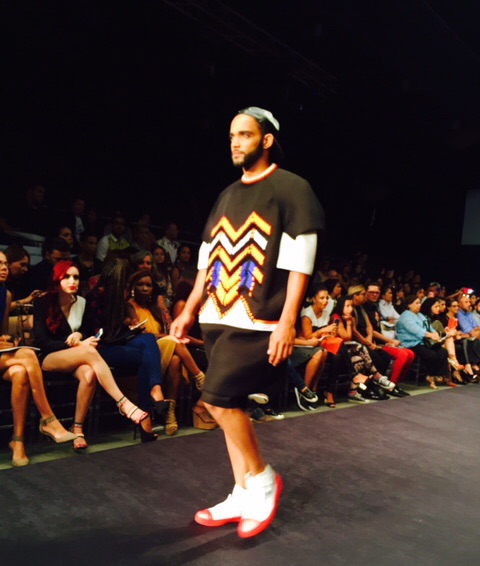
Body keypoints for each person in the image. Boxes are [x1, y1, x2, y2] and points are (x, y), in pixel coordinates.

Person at [171, 106, 325, 538]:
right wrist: (189, 309)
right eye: (232, 136)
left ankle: (262, 478)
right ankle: (241, 493)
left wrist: (288, 321)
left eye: (245, 134)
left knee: (217, 399)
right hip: (217, 315)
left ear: (267, 139)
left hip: (259, 317)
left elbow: (301, 260)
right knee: (229, 403)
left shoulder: (291, 188)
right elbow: (208, 258)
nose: (236, 143)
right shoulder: (227, 194)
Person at [33, 260, 153, 449]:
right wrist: (75, 344)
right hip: (49, 356)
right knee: (89, 352)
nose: (72, 281)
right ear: (57, 279)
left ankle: (77, 428)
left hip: (76, 356)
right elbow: (41, 341)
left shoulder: (81, 302)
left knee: (89, 374)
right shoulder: (43, 301)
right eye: (67, 277)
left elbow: (86, 330)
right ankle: (124, 403)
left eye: (76, 277)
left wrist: (80, 336)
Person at [0, 250, 75, 466]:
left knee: (21, 372)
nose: (4, 268)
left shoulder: (5, 294)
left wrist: (7, 340)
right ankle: (49, 419)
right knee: (28, 354)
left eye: (5, 263)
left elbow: (2, 332)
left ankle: (18, 442)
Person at [84, 256, 169, 438]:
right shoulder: (95, 297)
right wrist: (120, 327)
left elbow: (120, 327)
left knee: (148, 339)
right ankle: (146, 419)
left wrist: (128, 326)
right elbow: (97, 333)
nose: (126, 287)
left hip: (121, 340)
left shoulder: (120, 297)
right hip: (101, 348)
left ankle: (156, 388)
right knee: (144, 358)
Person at [126, 270, 206, 432]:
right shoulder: (129, 306)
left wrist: (162, 309)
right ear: (133, 287)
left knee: (176, 360)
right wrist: (165, 336)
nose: (144, 288)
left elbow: (166, 329)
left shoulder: (155, 308)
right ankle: (200, 377)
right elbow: (141, 334)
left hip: (161, 351)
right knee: (173, 340)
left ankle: (170, 413)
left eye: (148, 285)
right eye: (140, 284)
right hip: (143, 352)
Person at [395, 294, 450, 389]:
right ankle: (429, 376)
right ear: (409, 305)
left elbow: (429, 327)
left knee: (443, 351)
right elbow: (416, 330)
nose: (419, 305)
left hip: (422, 342)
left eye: (419, 303)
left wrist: (435, 333)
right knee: (431, 354)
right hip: (410, 343)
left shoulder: (420, 315)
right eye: (416, 303)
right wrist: (431, 335)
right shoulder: (405, 316)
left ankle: (435, 375)